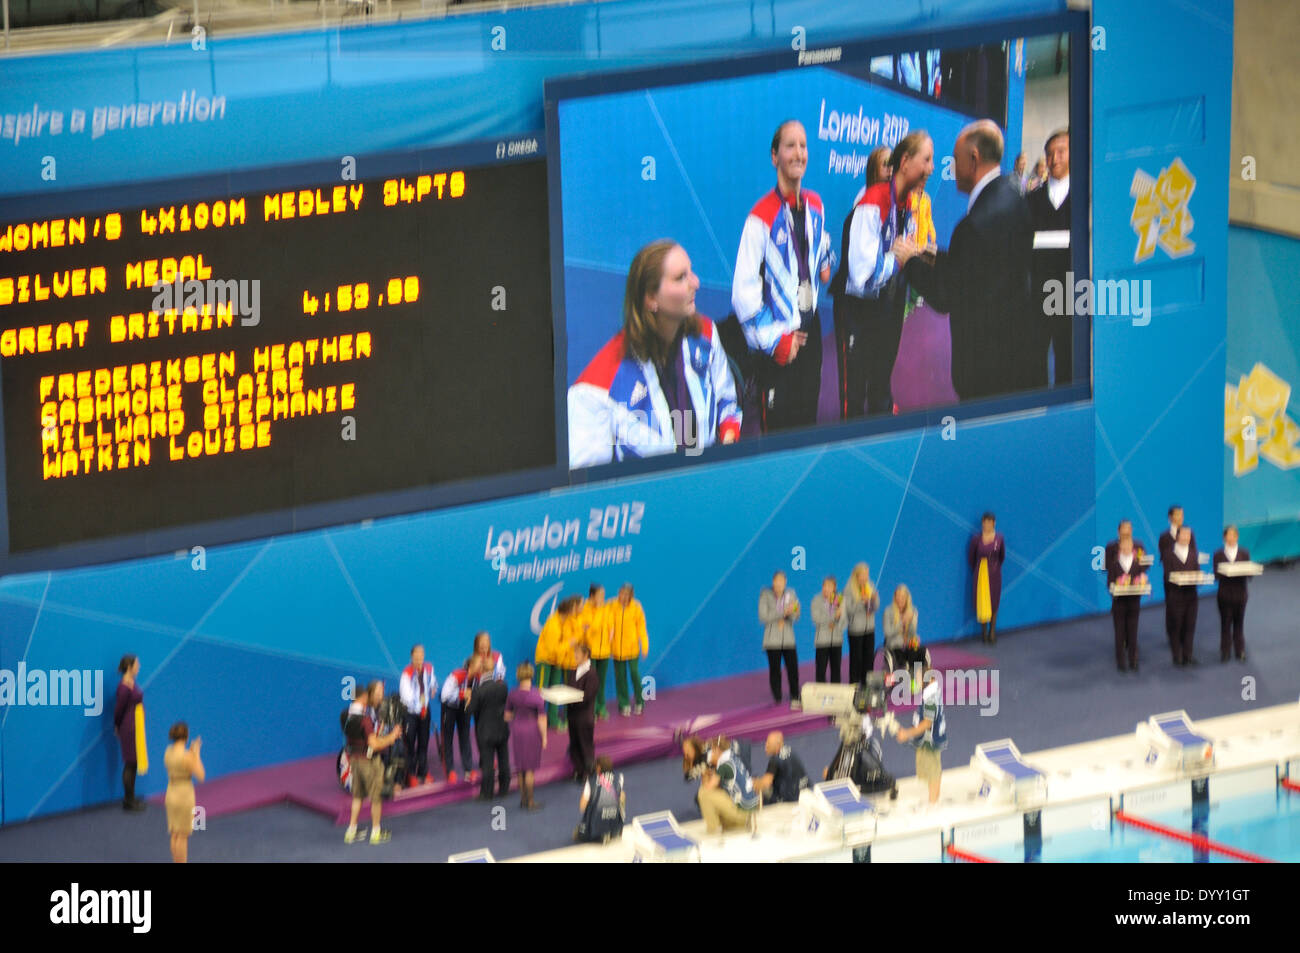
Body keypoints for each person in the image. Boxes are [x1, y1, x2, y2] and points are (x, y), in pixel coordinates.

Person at [894, 119, 1036, 401]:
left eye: (954, 159)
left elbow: (947, 295)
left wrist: (910, 261)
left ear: (974, 159)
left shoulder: (974, 224)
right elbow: (982, 270)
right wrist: (940, 258)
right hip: (1016, 357)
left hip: (986, 373)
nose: (947, 167)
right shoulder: (1012, 196)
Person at [569, 240, 741, 467]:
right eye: (681, 277)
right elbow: (586, 485)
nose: (696, 283)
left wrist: (729, 440)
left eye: (691, 272)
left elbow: (726, 401)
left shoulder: (705, 335)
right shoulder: (594, 390)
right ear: (651, 299)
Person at [732, 119, 835, 432]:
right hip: (779, 342)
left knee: (807, 423)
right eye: (790, 145)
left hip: (811, 333)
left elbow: (820, 243)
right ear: (774, 156)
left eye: (803, 146)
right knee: (778, 433)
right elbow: (742, 294)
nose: (799, 153)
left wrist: (825, 261)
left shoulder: (815, 203)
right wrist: (775, 341)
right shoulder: (760, 217)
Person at [835, 130, 936, 417]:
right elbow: (863, 275)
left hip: (889, 305)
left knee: (881, 379)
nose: (931, 168)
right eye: (926, 160)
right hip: (859, 309)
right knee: (853, 394)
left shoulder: (907, 205)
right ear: (905, 162)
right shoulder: (873, 201)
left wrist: (912, 256)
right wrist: (896, 259)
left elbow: (908, 250)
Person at [1027, 128, 1072, 386]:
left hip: (1073, 293)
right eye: (1050, 153)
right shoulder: (1031, 200)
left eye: (1061, 152)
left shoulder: (1086, 199)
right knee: (1035, 359)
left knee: (1068, 356)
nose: (1054, 159)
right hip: (1039, 293)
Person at [344, 682, 403, 844]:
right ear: (364, 697)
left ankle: (351, 831)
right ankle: (376, 832)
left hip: (355, 761)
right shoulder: (365, 720)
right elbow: (374, 744)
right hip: (369, 763)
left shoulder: (348, 717)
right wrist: (392, 737)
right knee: (376, 797)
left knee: (358, 796)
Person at [893, 669, 947, 806]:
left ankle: (933, 803)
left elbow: (927, 723)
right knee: (931, 769)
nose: (916, 682)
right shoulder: (930, 693)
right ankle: (934, 799)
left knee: (933, 771)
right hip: (928, 739)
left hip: (930, 741)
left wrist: (907, 733)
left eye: (918, 679)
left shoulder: (930, 699)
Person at [1105, 520, 1148, 673]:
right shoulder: (1114, 564)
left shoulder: (1137, 563)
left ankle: (1133, 660)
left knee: (1133, 632)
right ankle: (1121, 662)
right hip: (1119, 603)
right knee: (1119, 633)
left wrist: (1141, 585)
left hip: (1134, 602)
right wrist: (1115, 590)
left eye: (1130, 547)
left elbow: (1143, 571)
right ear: (1120, 548)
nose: (1127, 548)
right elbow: (1109, 582)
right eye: (1124, 546)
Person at [466, 656, 510, 801]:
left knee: (488, 763)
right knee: (504, 760)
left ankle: (487, 793)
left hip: (485, 732)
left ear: (481, 671)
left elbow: (470, 711)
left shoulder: (478, 691)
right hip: (502, 729)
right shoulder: (503, 687)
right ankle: (504, 789)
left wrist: (468, 701)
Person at [505, 662, 547, 811]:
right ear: (531, 674)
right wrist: (544, 737)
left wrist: (517, 720)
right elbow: (542, 719)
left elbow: (507, 716)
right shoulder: (537, 695)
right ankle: (530, 802)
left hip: (517, 730)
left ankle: (523, 800)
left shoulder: (512, 694)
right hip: (532, 731)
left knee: (521, 767)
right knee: (529, 769)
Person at [536, 594, 582, 730]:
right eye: (573, 610)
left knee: (555, 692)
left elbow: (575, 634)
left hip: (557, 662)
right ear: (567, 611)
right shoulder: (553, 624)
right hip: (545, 661)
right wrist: (569, 643)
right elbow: (553, 650)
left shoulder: (565, 622)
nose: (575, 613)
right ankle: (537, 721)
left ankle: (553, 720)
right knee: (542, 692)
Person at [698, 734, 759, 834]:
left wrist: (704, 771)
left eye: (712, 751)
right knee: (717, 794)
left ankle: (714, 830)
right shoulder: (732, 757)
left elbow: (709, 787)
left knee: (703, 793)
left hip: (743, 812)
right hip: (750, 811)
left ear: (717, 750)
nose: (711, 754)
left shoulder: (724, 765)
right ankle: (731, 824)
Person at [1159, 504, 1197, 658]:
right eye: (1177, 515)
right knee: (1172, 609)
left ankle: (1183, 641)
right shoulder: (1164, 537)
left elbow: (1193, 552)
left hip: (1188, 581)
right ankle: (1172, 636)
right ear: (1170, 517)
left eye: (1182, 515)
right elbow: (1164, 557)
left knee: (1187, 614)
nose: (1180, 518)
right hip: (1171, 581)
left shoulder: (1189, 533)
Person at [759, 570, 801, 709]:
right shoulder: (765, 594)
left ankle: (795, 695)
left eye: (782, 581)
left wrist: (791, 614)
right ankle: (777, 697)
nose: (779, 584)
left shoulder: (791, 593)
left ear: (785, 582)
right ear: (773, 582)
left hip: (788, 638)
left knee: (793, 668)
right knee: (775, 669)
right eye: (777, 581)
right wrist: (782, 613)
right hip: (772, 640)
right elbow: (763, 616)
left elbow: (796, 615)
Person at [163, 722, 204, 863]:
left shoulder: (168, 751)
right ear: (186, 737)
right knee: (183, 835)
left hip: (171, 793)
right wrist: (196, 753)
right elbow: (201, 775)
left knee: (174, 833)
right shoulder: (188, 756)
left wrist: (191, 753)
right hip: (184, 795)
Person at [113, 654, 147, 812]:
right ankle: (128, 801)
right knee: (130, 763)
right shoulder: (124, 687)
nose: (139, 666)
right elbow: (119, 710)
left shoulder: (131, 683)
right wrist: (117, 726)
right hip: (128, 728)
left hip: (136, 726)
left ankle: (131, 799)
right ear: (129, 667)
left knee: (133, 763)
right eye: (137, 664)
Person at [399, 644, 437, 785]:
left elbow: (433, 682)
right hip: (411, 713)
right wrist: (419, 706)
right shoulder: (406, 673)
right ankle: (411, 773)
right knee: (410, 744)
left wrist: (433, 688)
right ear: (411, 657)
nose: (419, 657)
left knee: (423, 743)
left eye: (421, 654)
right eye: (416, 655)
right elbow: (406, 696)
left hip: (425, 712)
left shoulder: (429, 668)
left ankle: (423, 771)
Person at [1213, 525, 1251, 663]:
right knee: (1225, 623)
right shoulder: (1218, 554)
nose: (1231, 538)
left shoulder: (1244, 553)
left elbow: (1249, 573)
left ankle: (1240, 650)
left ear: (1237, 537)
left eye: (1234, 535)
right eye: (1229, 535)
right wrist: (1227, 570)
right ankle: (1225, 651)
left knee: (1239, 624)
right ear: (1224, 537)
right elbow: (1216, 575)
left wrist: (1248, 570)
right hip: (1225, 595)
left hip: (1241, 594)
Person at [610, 583, 649, 716]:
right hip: (616, 650)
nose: (623, 596)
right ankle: (624, 704)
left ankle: (640, 701)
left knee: (634, 674)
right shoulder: (612, 605)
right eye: (621, 593)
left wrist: (644, 645)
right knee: (620, 678)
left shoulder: (636, 607)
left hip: (632, 649)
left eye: (626, 594)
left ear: (631, 595)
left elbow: (641, 627)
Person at [1165, 525, 1201, 666]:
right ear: (1177, 536)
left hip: (1191, 597)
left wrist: (1198, 578)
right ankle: (1176, 655)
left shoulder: (1193, 553)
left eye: (1189, 535)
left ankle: (1188, 655)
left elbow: (1197, 572)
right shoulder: (1169, 554)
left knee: (1189, 626)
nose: (1186, 538)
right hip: (1176, 596)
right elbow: (1168, 575)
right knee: (1176, 626)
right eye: (1184, 535)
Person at [968, 512, 1006, 644]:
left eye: (989, 522)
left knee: (994, 601)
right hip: (980, 573)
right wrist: (979, 570)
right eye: (985, 522)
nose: (987, 525)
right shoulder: (976, 539)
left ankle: (992, 632)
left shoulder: (999, 538)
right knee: (982, 602)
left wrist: (994, 567)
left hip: (995, 574)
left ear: (994, 523)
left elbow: (1002, 556)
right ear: (982, 523)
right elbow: (971, 558)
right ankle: (983, 632)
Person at [579, 584, 614, 720]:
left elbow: (610, 626)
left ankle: (601, 707)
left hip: (604, 651)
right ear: (592, 596)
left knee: (601, 681)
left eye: (604, 595)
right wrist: (598, 612)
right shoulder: (585, 609)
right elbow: (589, 629)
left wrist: (610, 643)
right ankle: (589, 710)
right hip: (591, 652)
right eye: (600, 595)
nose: (602, 598)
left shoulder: (606, 608)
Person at [440, 659, 477, 783]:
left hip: (463, 707)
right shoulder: (457, 675)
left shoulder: (478, 678)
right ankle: (450, 771)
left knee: (465, 737)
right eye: (478, 664)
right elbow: (444, 695)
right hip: (449, 707)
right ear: (470, 666)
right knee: (448, 739)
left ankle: (468, 769)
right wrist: (462, 694)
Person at [575, 755, 626, 844]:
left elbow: (582, 807)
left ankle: (600, 834)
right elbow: (621, 797)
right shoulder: (619, 778)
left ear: (598, 768)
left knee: (578, 833)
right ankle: (615, 829)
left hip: (596, 821)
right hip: (614, 819)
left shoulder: (591, 780)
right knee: (622, 795)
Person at [843, 562, 880, 685]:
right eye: (863, 575)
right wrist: (861, 602)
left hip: (870, 628)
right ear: (856, 575)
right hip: (856, 630)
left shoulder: (870, 585)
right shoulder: (848, 589)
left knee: (869, 658)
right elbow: (848, 609)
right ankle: (854, 683)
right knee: (856, 658)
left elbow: (876, 606)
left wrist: (874, 600)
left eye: (867, 574)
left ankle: (867, 683)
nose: (865, 577)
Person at [568, 642, 599, 780]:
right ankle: (578, 771)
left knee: (585, 745)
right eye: (575, 652)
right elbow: (569, 688)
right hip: (573, 716)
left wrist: (571, 697)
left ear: (586, 655)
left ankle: (588, 772)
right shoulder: (573, 671)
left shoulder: (591, 673)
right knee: (574, 744)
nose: (575, 655)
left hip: (584, 717)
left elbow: (588, 695)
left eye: (577, 653)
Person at [751, 731, 809, 804]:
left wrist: (753, 783)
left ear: (778, 745)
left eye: (769, 744)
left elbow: (766, 783)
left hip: (790, 798)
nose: (765, 747)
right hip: (804, 788)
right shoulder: (790, 749)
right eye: (766, 742)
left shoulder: (774, 760)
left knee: (760, 790)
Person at [811, 575, 847, 683]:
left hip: (836, 640)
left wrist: (839, 617)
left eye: (829, 586)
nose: (826, 588)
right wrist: (833, 617)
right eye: (824, 585)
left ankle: (835, 694)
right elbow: (816, 618)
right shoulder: (816, 600)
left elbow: (844, 621)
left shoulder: (840, 599)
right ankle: (820, 693)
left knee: (836, 670)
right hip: (822, 641)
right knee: (820, 670)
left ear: (834, 587)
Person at [881, 584, 920, 672]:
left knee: (921, 651)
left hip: (908, 645)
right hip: (894, 646)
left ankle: (916, 680)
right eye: (897, 596)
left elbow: (913, 632)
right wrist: (902, 622)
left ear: (907, 598)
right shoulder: (888, 611)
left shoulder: (913, 611)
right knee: (906, 655)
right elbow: (887, 633)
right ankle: (907, 676)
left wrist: (911, 621)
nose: (899, 599)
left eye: (902, 596)